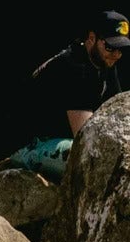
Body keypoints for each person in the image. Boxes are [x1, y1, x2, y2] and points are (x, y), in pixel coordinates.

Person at [25, 9, 130, 173]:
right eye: (110, 47)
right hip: (33, 145)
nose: (116, 54)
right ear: (91, 38)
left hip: (60, 138)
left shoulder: (105, 61)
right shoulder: (74, 67)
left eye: (121, 48)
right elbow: (86, 137)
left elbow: (121, 114)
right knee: (97, 160)